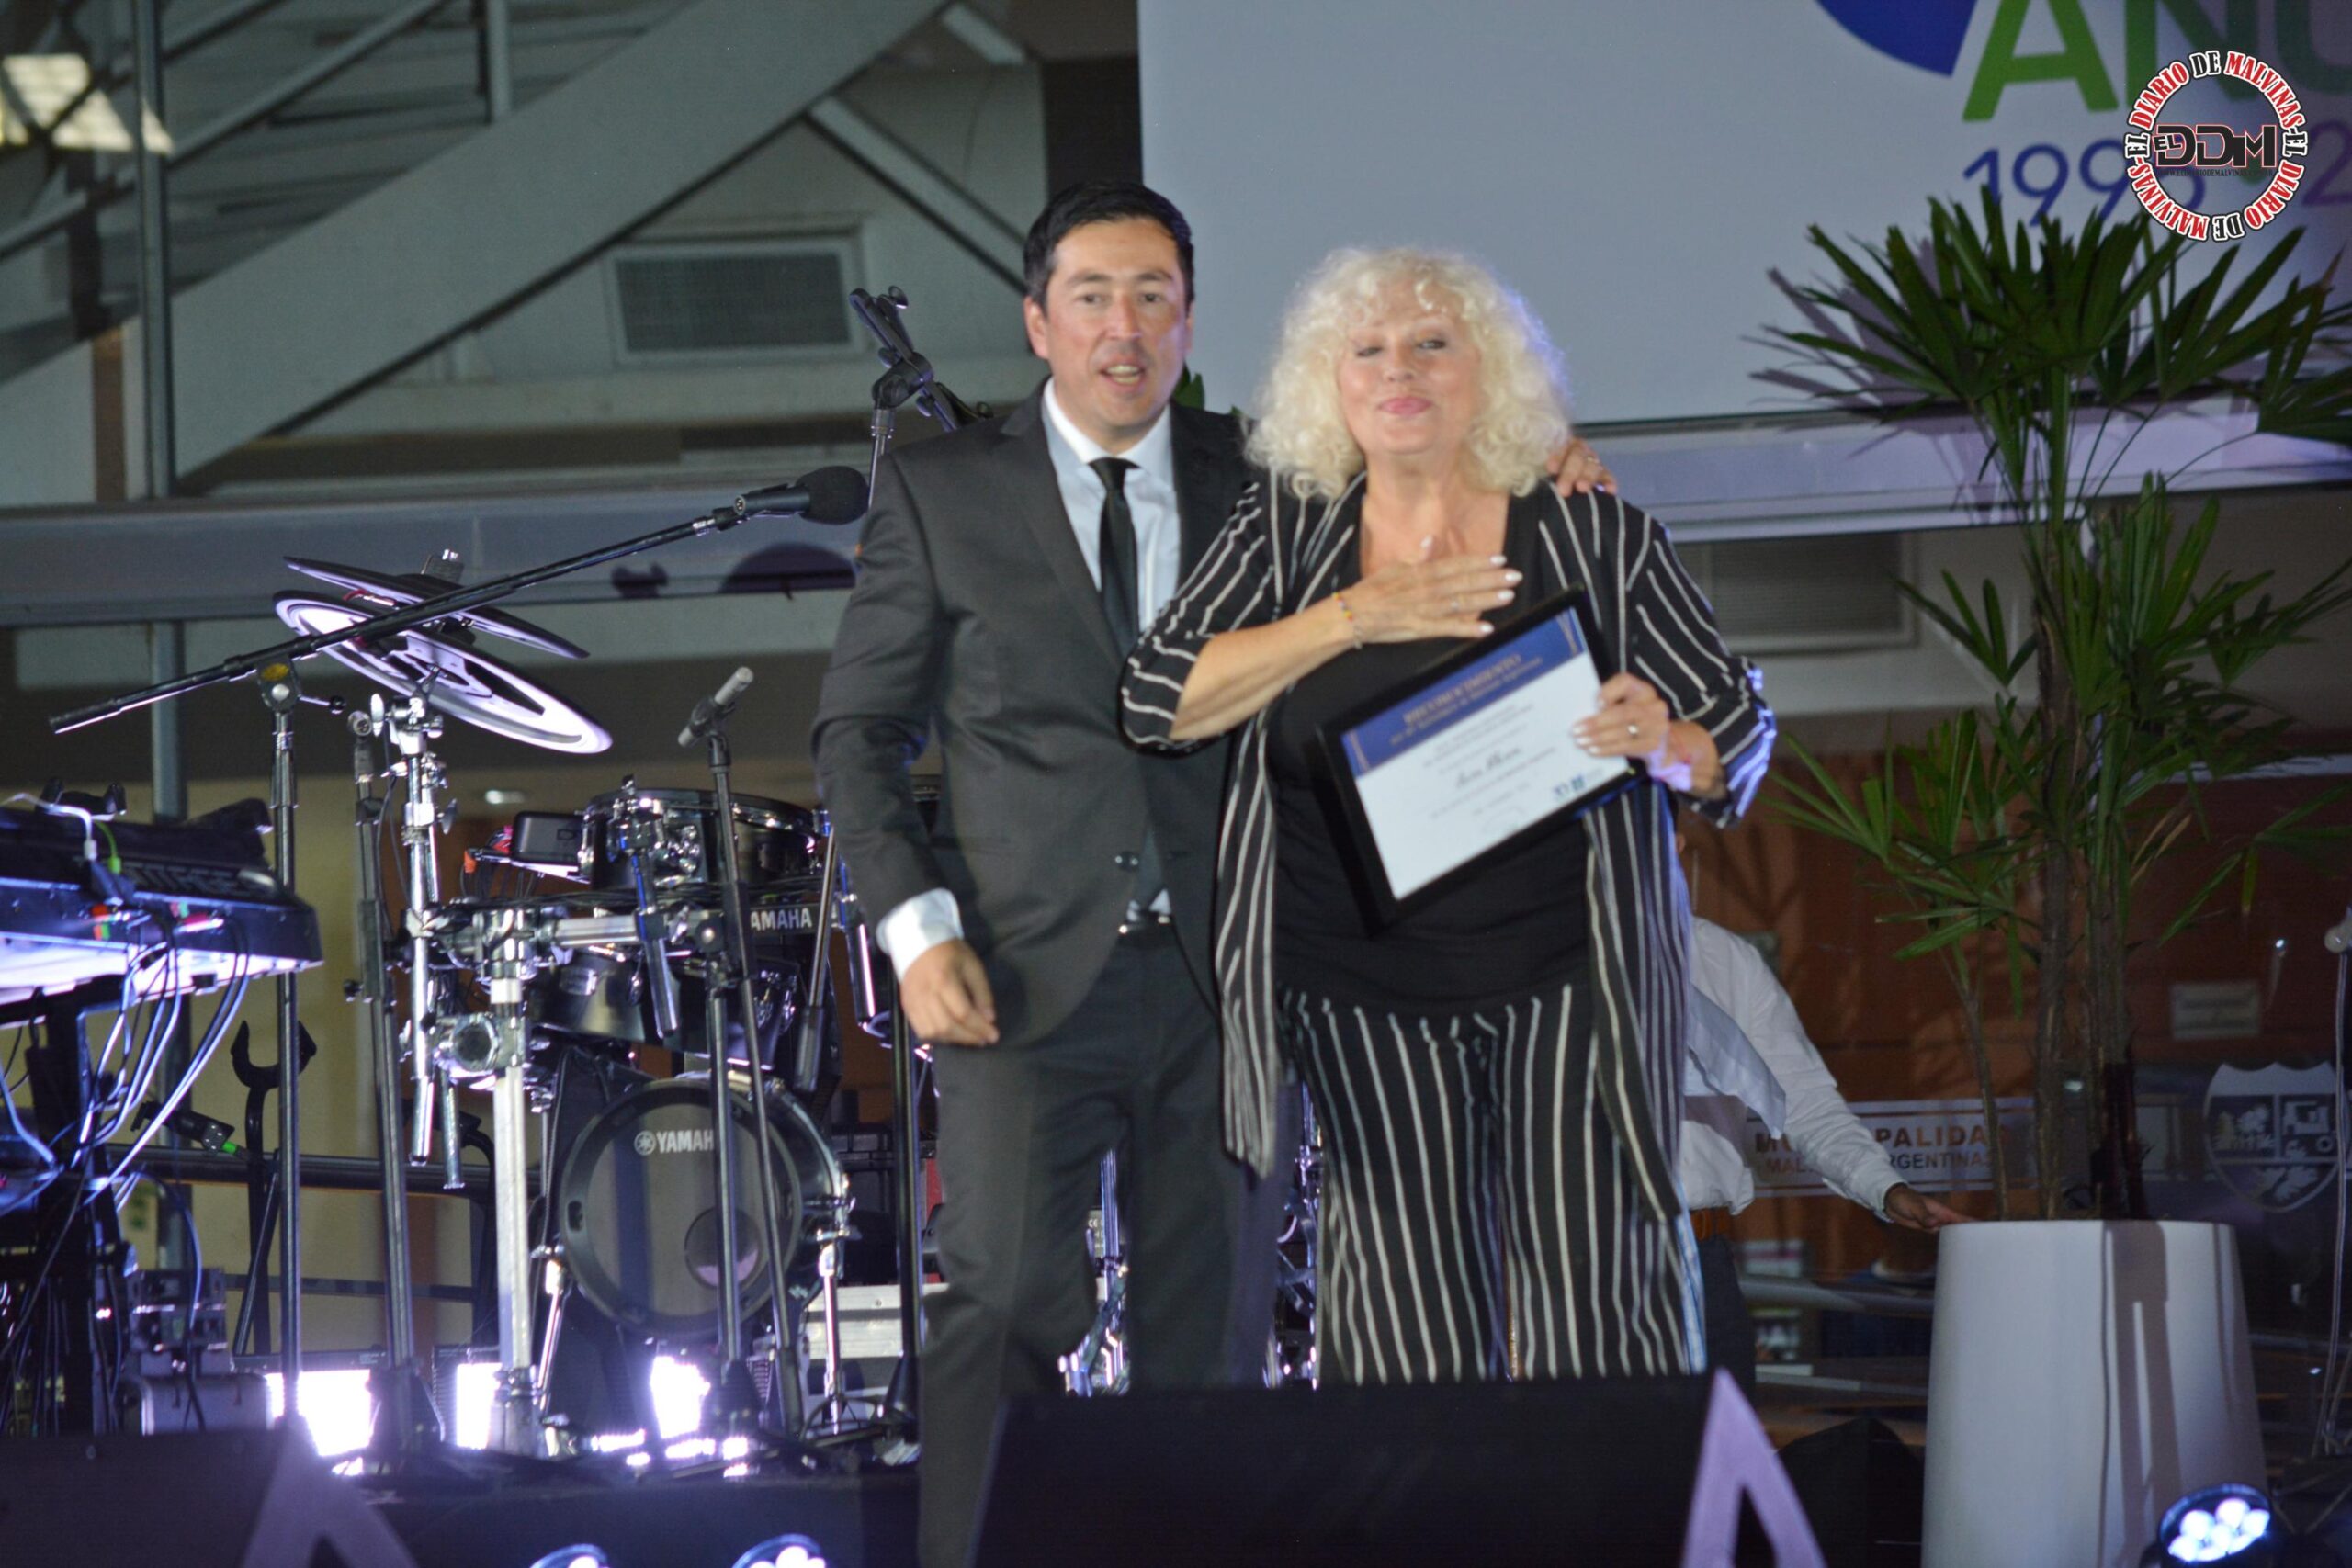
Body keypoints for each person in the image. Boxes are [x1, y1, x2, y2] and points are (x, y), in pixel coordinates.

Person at [812, 187, 1611, 1566]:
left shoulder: (1272, 472)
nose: (1123, 328)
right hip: (1016, 975)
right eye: (1092, 297)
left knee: (1212, 1340)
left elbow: (1428, 477)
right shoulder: (944, 493)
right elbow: (856, 731)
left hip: (1234, 974)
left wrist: (1544, 459)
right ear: (1038, 321)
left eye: (1154, 298)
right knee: (1000, 1306)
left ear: (1189, 321)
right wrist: (917, 929)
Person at [1119, 246, 1774, 1385]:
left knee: (1602, 1311)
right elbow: (1156, 699)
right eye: (1366, 350)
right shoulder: (1287, 533)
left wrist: (1663, 745)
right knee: (1401, 1339)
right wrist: (1353, 617)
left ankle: (1618, 1494)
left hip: (1570, 978)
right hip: (1356, 991)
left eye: (1432, 344)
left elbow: (1734, 730)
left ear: (1492, 373)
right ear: (1328, 383)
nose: (1398, 370)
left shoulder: (1591, 531)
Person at [1681, 915, 1969, 1392]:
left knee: (1715, 1437)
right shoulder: (1557, 949)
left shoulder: (1720, 954)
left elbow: (1804, 1100)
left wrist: (1885, 1187)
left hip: (1699, 1263)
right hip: (1580, 1261)